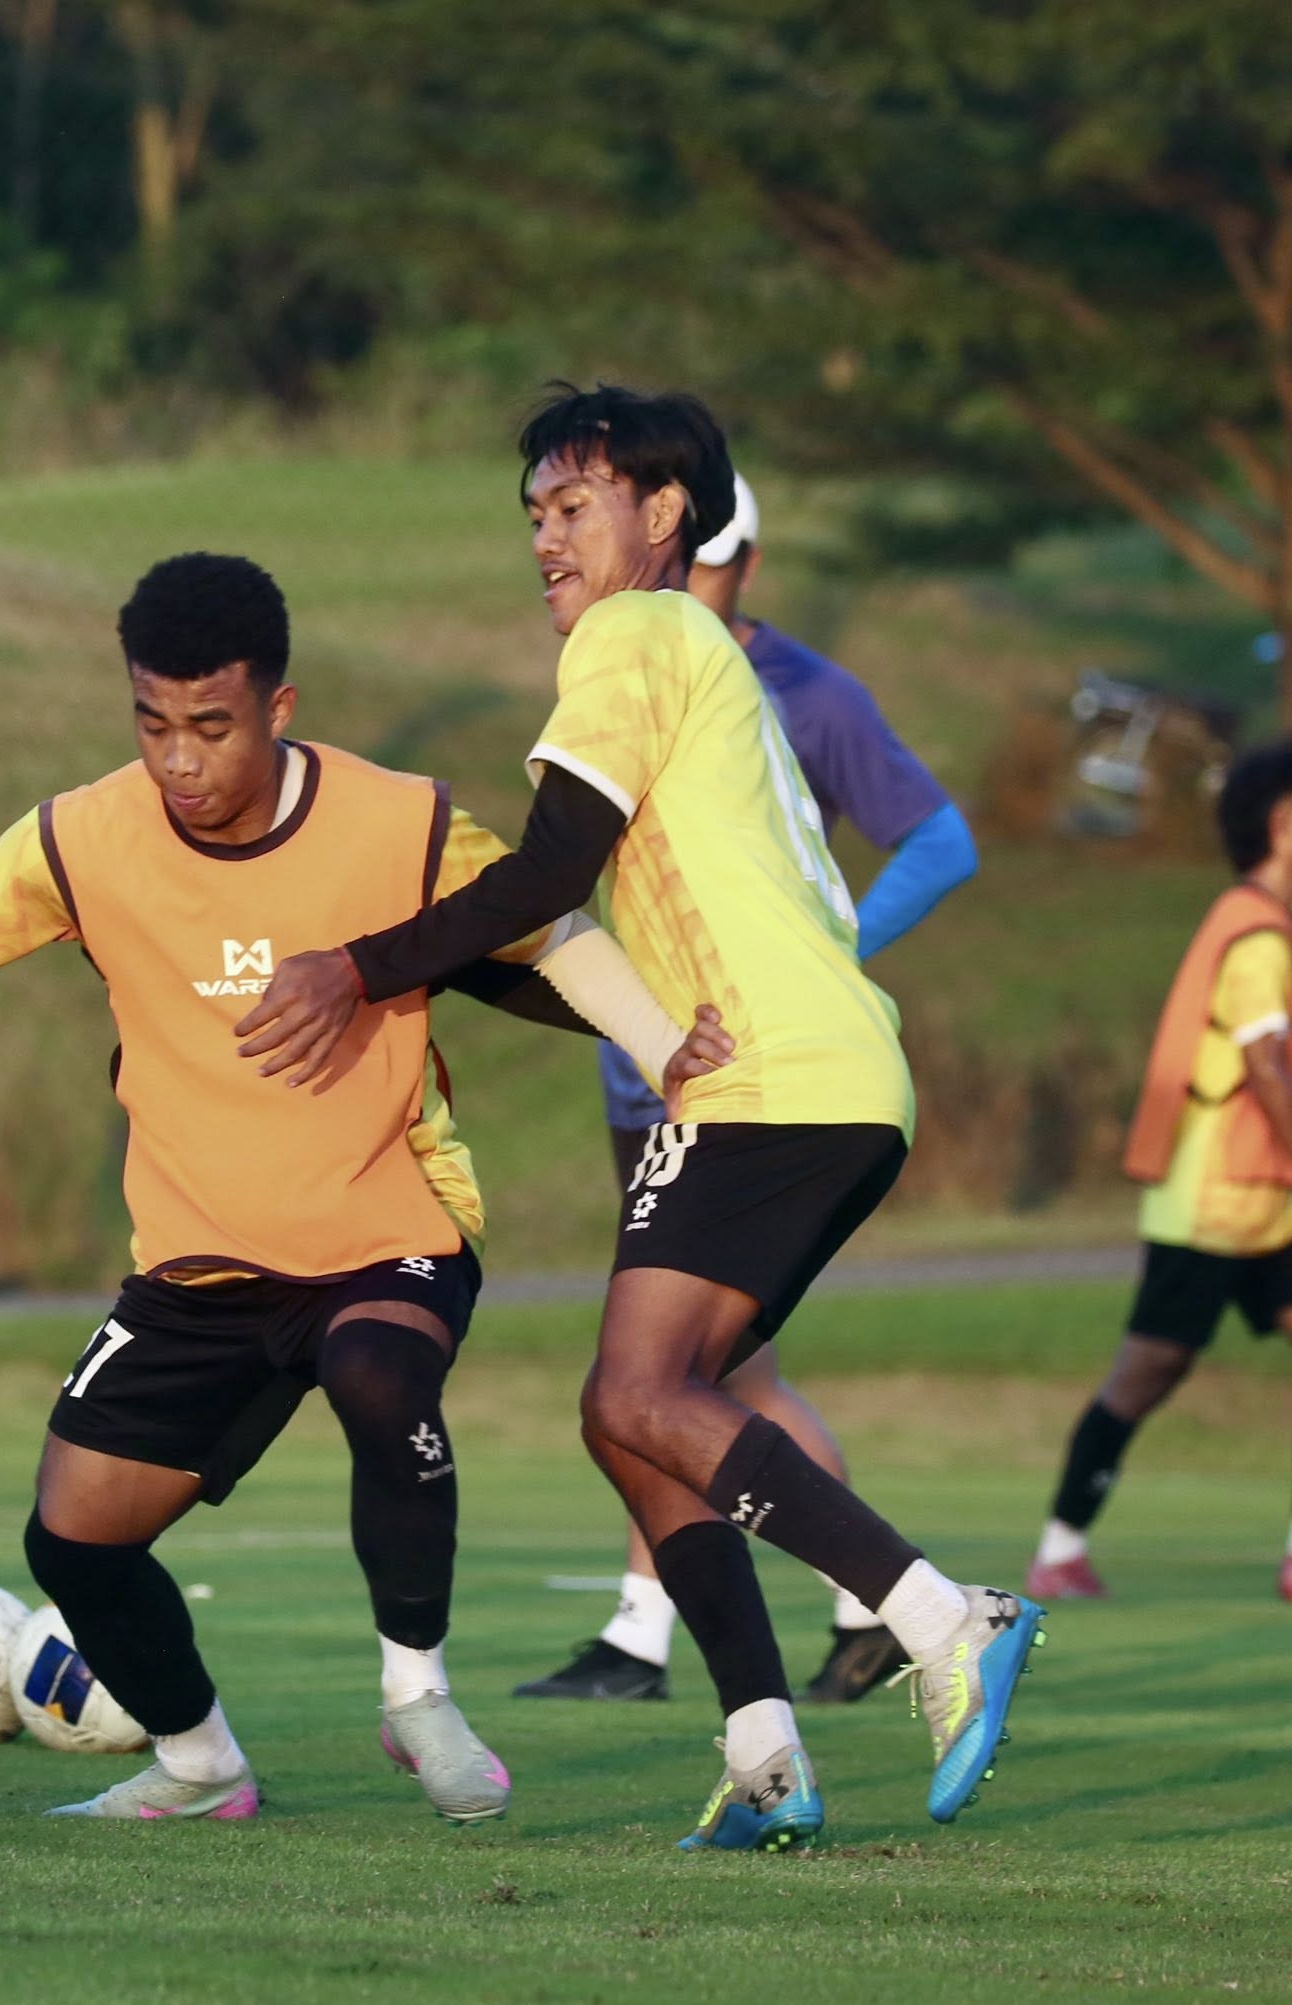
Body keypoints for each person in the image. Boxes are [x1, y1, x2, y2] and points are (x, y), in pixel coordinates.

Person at [0, 551, 727, 1822]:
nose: (178, 760)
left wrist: (659, 1046)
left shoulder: (394, 818)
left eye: (210, 726)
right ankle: (198, 1763)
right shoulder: (85, 836)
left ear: (278, 708)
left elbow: (550, 935)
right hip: (199, 1260)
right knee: (71, 1535)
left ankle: (415, 1695)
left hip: (385, 1225)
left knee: (376, 1369)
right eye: (151, 723)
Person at [234, 385, 1046, 1851]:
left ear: (665, 516)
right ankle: (764, 1752)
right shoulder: (693, 648)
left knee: (636, 1399)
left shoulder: (639, 631)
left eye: (575, 506)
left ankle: (943, 1616)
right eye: (534, 514)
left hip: (775, 1081)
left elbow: (548, 875)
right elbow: (555, 913)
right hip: (791, 1077)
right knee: (635, 1419)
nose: (546, 539)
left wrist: (356, 970)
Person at [519, 472, 980, 1709]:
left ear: (721, 553)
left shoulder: (781, 683)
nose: (697, 589)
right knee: (653, 1393)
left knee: (674, 1386)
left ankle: (901, 1611)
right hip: (677, 1085)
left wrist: (827, 959)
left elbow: (940, 838)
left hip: (768, 1075)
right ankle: (759, 1720)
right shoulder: (642, 653)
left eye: (716, 564)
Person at [1030, 738, 1292, 1605]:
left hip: (1267, 1199)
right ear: (1283, 825)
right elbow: (1269, 1068)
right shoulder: (1256, 935)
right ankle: (1060, 1550)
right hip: (1216, 1202)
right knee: (1147, 1373)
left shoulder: (1264, 924)